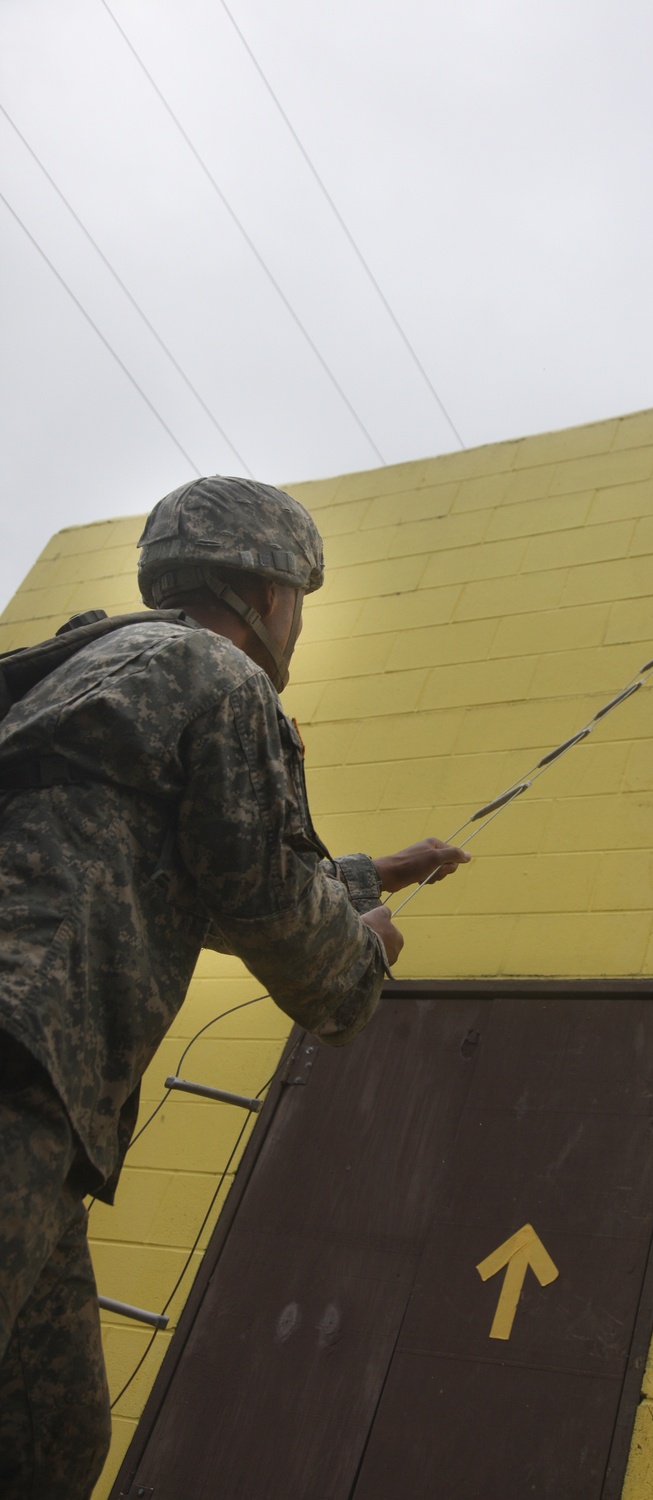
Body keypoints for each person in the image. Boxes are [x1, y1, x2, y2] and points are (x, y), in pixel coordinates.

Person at [0, 475, 470, 1499]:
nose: (296, 619)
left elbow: (177, 876)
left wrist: (367, 877)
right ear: (264, 592)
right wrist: (363, 956)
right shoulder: (220, 674)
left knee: (53, 1434)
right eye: (298, 595)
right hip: (21, 1062)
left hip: (44, 1092)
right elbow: (261, 901)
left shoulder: (92, 668)